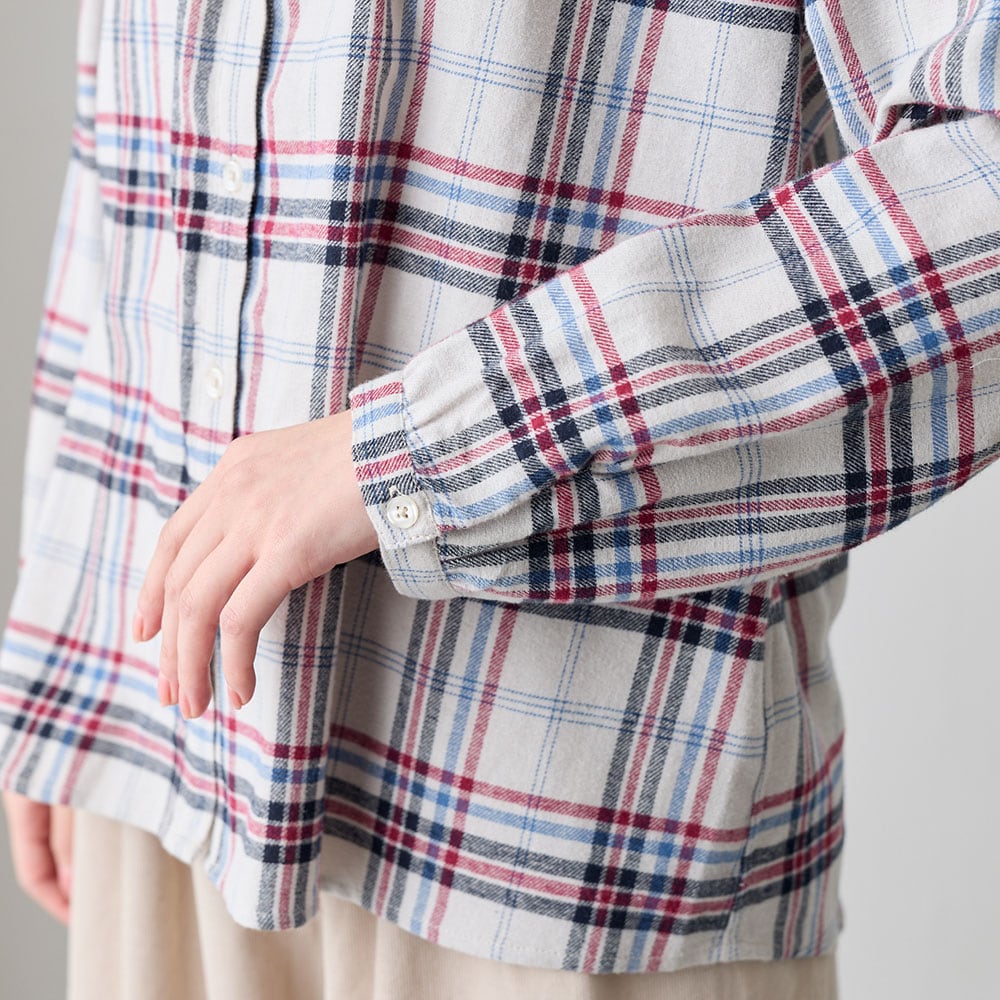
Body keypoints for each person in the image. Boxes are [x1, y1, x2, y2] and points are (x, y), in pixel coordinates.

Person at [2, 0, 998, 997]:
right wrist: (57, 658)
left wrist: (409, 457)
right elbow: (121, 164)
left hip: (564, 836)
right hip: (157, 753)